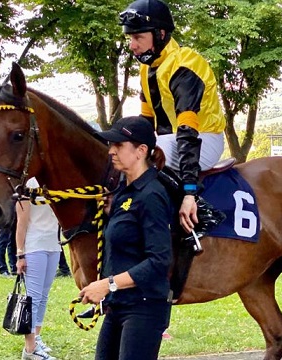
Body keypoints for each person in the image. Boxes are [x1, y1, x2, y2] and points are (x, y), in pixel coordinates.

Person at [119, 0, 226, 241]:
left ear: (161, 34)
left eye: (138, 38)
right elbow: (146, 123)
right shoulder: (147, 70)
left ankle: (200, 212)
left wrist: (189, 190)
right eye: (129, 38)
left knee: (155, 153)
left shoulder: (185, 64)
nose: (132, 46)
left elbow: (187, 130)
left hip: (202, 138)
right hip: (171, 139)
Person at [79, 116, 173, 360]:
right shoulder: (123, 193)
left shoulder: (152, 195)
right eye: (112, 145)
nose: (111, 151)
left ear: (141, 151)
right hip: (119, 305)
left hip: (144, 307)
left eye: (119, 145)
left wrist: (106, 284)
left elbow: (159, 260)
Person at [16, 177, 61, 360]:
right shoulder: (28, 184)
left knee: (43, 296)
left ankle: (36, 338)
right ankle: (29, 349)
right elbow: (22, 221)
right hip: (35, 245)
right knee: (33, 298)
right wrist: (20, 253)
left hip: (54, 244)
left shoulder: (57, 181)